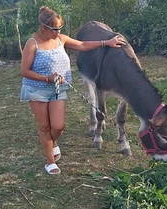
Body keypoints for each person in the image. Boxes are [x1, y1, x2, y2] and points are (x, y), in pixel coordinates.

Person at [20, 6, 125, 175]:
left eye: (60, 28)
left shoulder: (61, 39)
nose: (58, 31)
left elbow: (83, 45)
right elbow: (24, 71)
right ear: (43, 28)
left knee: (59, 126)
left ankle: (51, 143)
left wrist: (107, 42)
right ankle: (50, 161)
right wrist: (46, 78)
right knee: (45, 126)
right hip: (37, 89)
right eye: (55, 29)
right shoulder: (32, 44)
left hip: (58, 89)